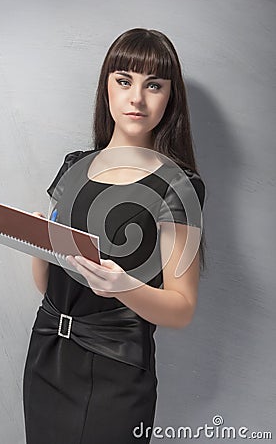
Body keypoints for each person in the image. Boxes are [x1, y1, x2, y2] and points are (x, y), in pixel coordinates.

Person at [23, 27, 206, 444]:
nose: (136, 98)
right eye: (124, 81)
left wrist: (125, 287)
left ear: (169, 97)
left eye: (153, 85)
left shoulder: (178, 186)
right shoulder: (74, 167)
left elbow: (182, 309)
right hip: (46, 355)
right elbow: (47, 286)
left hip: (116, 368)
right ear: (107, 86)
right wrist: (38, 244)